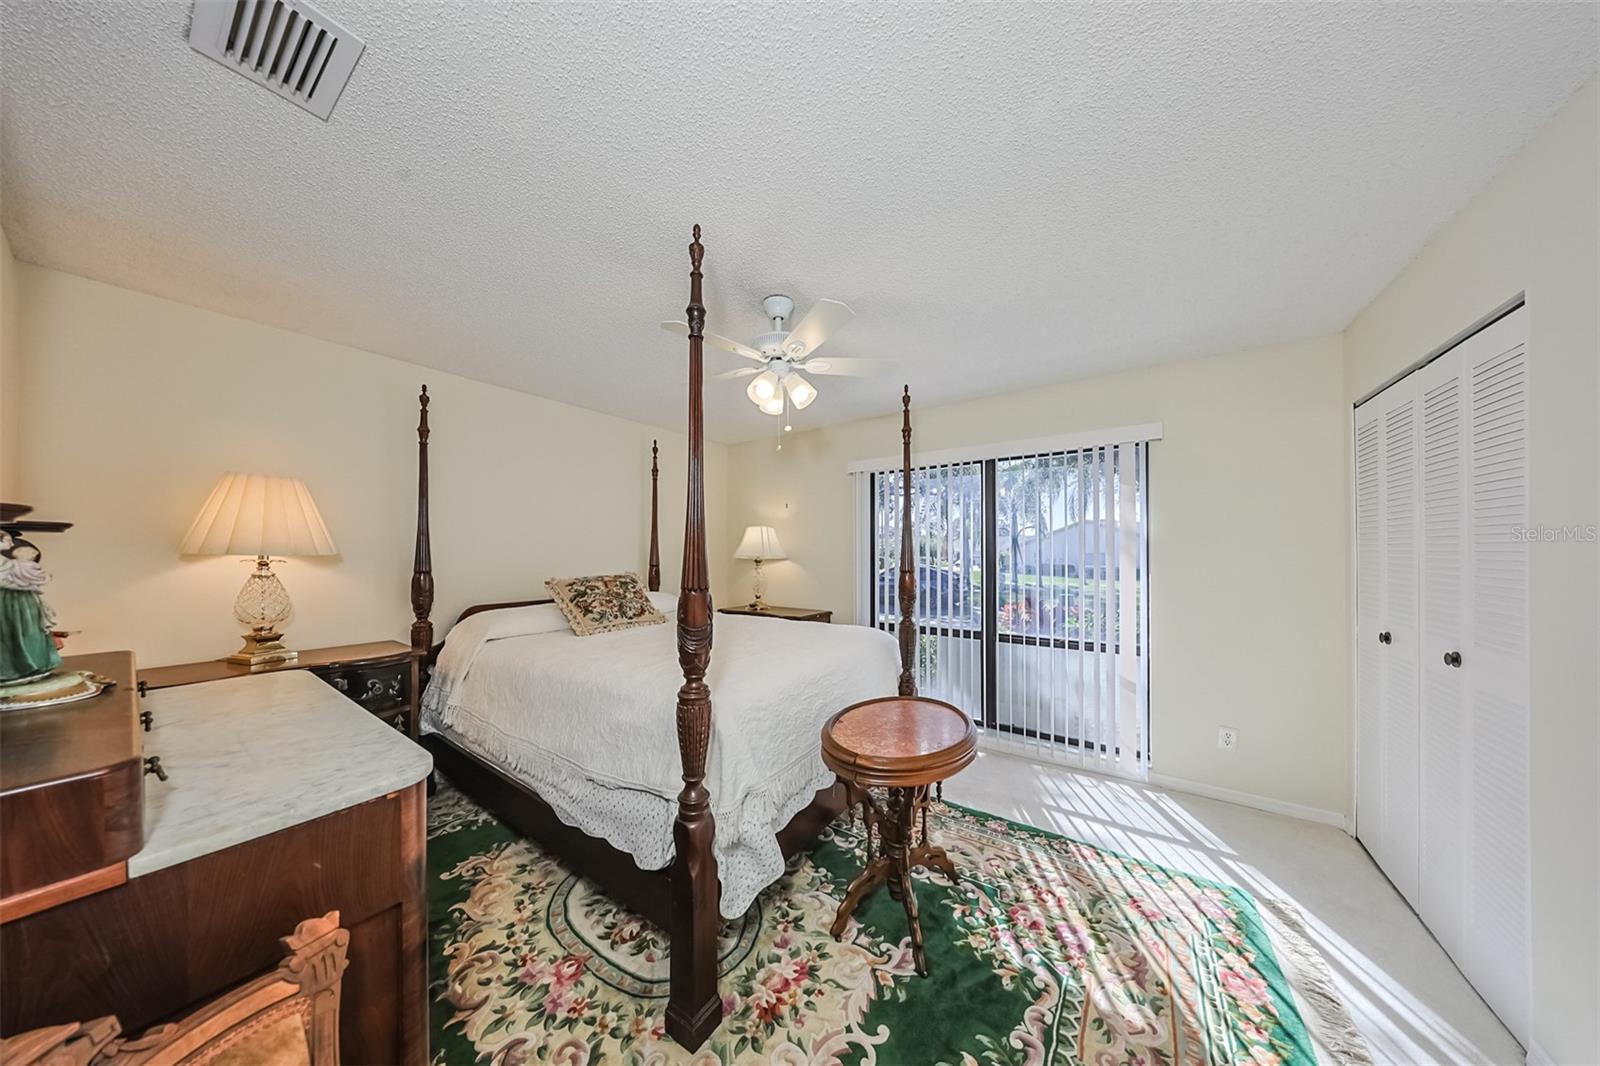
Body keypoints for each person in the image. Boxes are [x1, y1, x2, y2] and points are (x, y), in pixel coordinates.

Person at [0, 530, 62, 683]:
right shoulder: (7, 564)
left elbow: (28, 576)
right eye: (8, 540)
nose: (11, 545)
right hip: (9, 603)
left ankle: (31, 665)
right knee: (13, 632)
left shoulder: (11, 564)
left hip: (22, 602)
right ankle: (17, 667)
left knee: (28, 630)